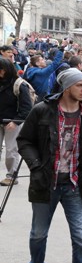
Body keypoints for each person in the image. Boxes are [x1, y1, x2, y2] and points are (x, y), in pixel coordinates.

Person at [16, 68, 82, 263]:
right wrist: (36, 165)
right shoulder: (42, 110)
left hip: (76, 184)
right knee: (39, 233)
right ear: (66, 88)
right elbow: (24, 140)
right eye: (80, 85)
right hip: (47, 182)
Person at [0, 57, 34, 185]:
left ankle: (12, 176)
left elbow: (27, 108)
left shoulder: (19, 84)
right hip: (1, 120)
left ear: (5, 70)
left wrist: (15, 122)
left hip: (13, 122)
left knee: (11, 150)